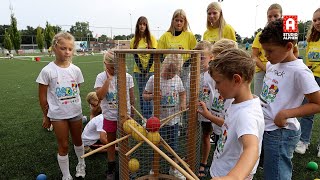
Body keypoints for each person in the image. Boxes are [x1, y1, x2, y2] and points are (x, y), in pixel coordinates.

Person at [259, 19, 320, 180]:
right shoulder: (273, 64)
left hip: (281, 133)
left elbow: (317, 103)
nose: (266, 55)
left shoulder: (300, 71)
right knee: (270, 171)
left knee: (277, 175)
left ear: (288, 47)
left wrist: (287, 113)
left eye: (270, 51)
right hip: (266, 128)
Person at [198, 48, 264, 180]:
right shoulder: (237, 103)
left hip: (230, 174)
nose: (216, 87)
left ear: (236, 80)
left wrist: (233, 177)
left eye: (218, 82)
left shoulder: (247, 114)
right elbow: (230, 126)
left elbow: (252, 148)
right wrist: (209, 116)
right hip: (222, 169)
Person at [36, 32, 86, 180]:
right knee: (63, 145)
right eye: (63, 48)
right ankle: (66, 175)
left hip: (75, 112)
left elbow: (77, 89)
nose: (67, 52)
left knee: (78, 141)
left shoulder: (75, 70)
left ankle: (81, 164)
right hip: (58, 115)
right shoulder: (47, 71)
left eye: (70, 49)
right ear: (54, 48)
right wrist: (46, 116)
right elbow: (42, 96)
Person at [196, 39, 237, 178]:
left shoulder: (216, 74)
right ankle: (209, 161)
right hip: (204, 111)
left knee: (217, 137)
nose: (199, 61)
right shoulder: (195, 73)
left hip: (216, 112)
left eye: (202, 57)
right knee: (204, 136)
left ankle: (206, 162)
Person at [143, 54, 186, 179]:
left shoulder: (177, 79)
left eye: (173, 72)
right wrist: (152, 96)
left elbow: (182, 93)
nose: (170, 74)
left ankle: (173, 168)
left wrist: (183, 102)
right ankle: (154, 167)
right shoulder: (154, 79)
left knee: (173, 146)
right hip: (157, 121)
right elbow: (144, 96)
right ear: (163, 66)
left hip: (173, 120)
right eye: (168, 70)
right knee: (155, 145)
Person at [94, 50, 135, 179]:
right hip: (109, 116)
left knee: (124, 142)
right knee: (111, 143)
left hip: (124, 117)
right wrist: (108, 80)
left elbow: (132, 98)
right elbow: (99, 96)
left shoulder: (127, 76)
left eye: (117, 67)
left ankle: (125, 167)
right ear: (105, 64)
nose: (114, 70)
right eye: (111, 67)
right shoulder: (101, 77)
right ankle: (111, 169)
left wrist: (132, 113)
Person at [252, 3, 299, 96]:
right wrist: (266, 69)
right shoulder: (261, 34)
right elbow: (254, 56)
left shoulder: (288, 33)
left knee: (278, 95)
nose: (272, 19)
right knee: (259, 96)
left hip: (281, 69)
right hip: (262, 70)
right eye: (269, 16)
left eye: (276, 16)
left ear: (282, 16)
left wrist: (289, 65)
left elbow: (295, 51)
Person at [295, 8, 320, 156]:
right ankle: (304, 141)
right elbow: (309, 59)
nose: (317, 22)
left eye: (319, 19)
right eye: (315, 20)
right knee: (308, 110)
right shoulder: (312, 39)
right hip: (311, 79)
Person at [157, 9, 197, 86]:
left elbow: (195, 53)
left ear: (184, 22)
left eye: (181, 21)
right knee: (170, 89)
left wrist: (186, 64)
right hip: (169, 70)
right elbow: (159, 54)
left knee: (182, 89)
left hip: (184, 69)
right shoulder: (165, 36)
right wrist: (167, 65)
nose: (179, 23)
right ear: (173, 21)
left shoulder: (190, 36)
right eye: (177, 20)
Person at [130, 16, 157, 119]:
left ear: (147, 26)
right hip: (138, 71)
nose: (142, 26)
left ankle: (150, 117)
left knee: (149, 94)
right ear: (137, 26)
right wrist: (141, 70)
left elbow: (153, 55)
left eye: (144, 24)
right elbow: (135, 56)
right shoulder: (134, 40)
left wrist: (146, 70)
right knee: (142, 95)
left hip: (150, 71)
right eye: (140, 24)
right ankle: (144, 118)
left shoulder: (152, 38)